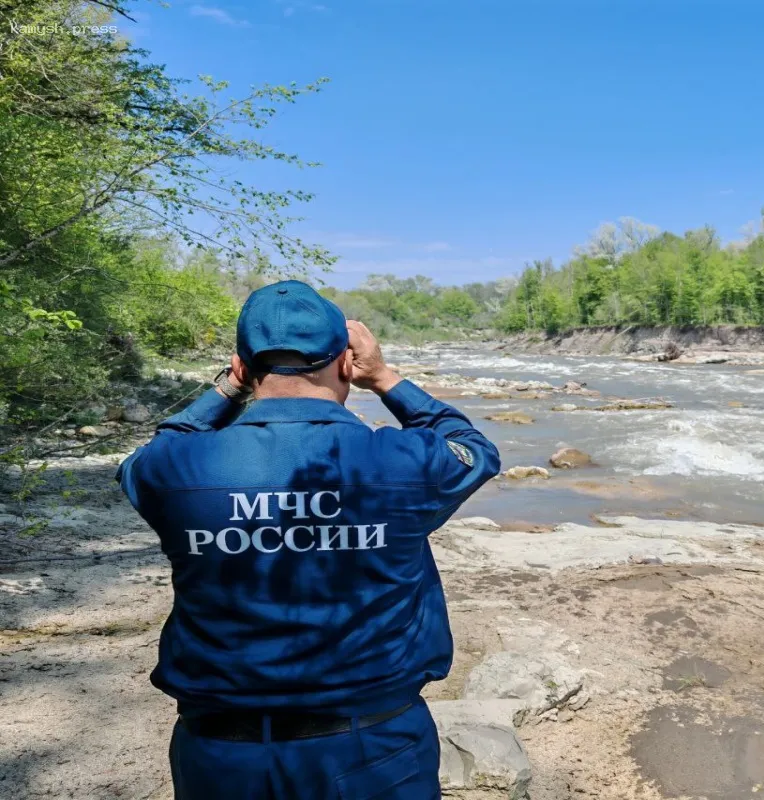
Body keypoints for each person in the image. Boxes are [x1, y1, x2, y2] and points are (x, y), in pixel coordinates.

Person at [116, 279, 501, 799]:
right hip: (374, 750)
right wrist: (385, 378)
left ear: (244, 368)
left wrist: (226, 391)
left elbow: (148, 457)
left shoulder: (176, 467)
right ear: (346, 362)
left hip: (222, 755)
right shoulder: (404, 462)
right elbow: (472, 448)